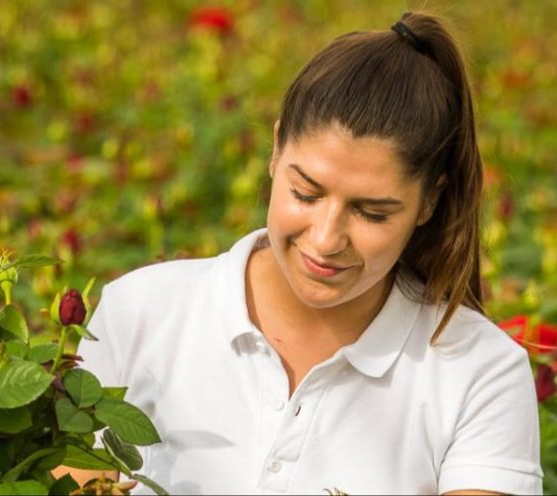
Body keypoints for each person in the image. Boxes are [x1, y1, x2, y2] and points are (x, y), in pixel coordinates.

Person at [71, 11, 543, 495]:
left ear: (430, 202)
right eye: (306, 193)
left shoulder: (480, 372)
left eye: (372, 213)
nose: (325, 239)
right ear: (276, 150)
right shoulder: (140, 314)